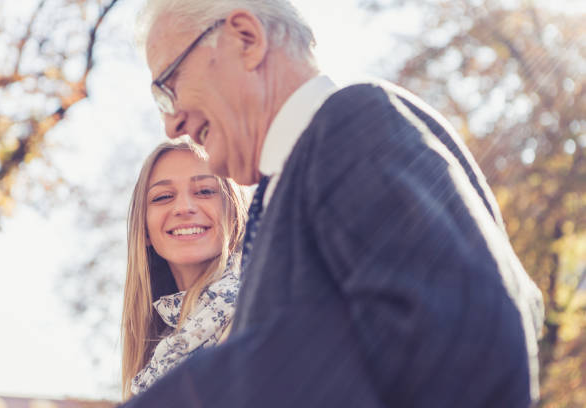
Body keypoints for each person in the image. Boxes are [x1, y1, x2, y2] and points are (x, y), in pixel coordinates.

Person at [121, 1, 545, 407]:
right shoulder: (280, 199)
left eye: (169, 87)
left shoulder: (356, 121)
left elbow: (471, 336)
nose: (171, 122)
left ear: (245, 39)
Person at [120, 139, 248, 400]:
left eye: (204, 191)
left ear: (234, 213)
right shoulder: (157, 363)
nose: (183, 208)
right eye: (164, 197)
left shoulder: (258, 311)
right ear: (144, 230)